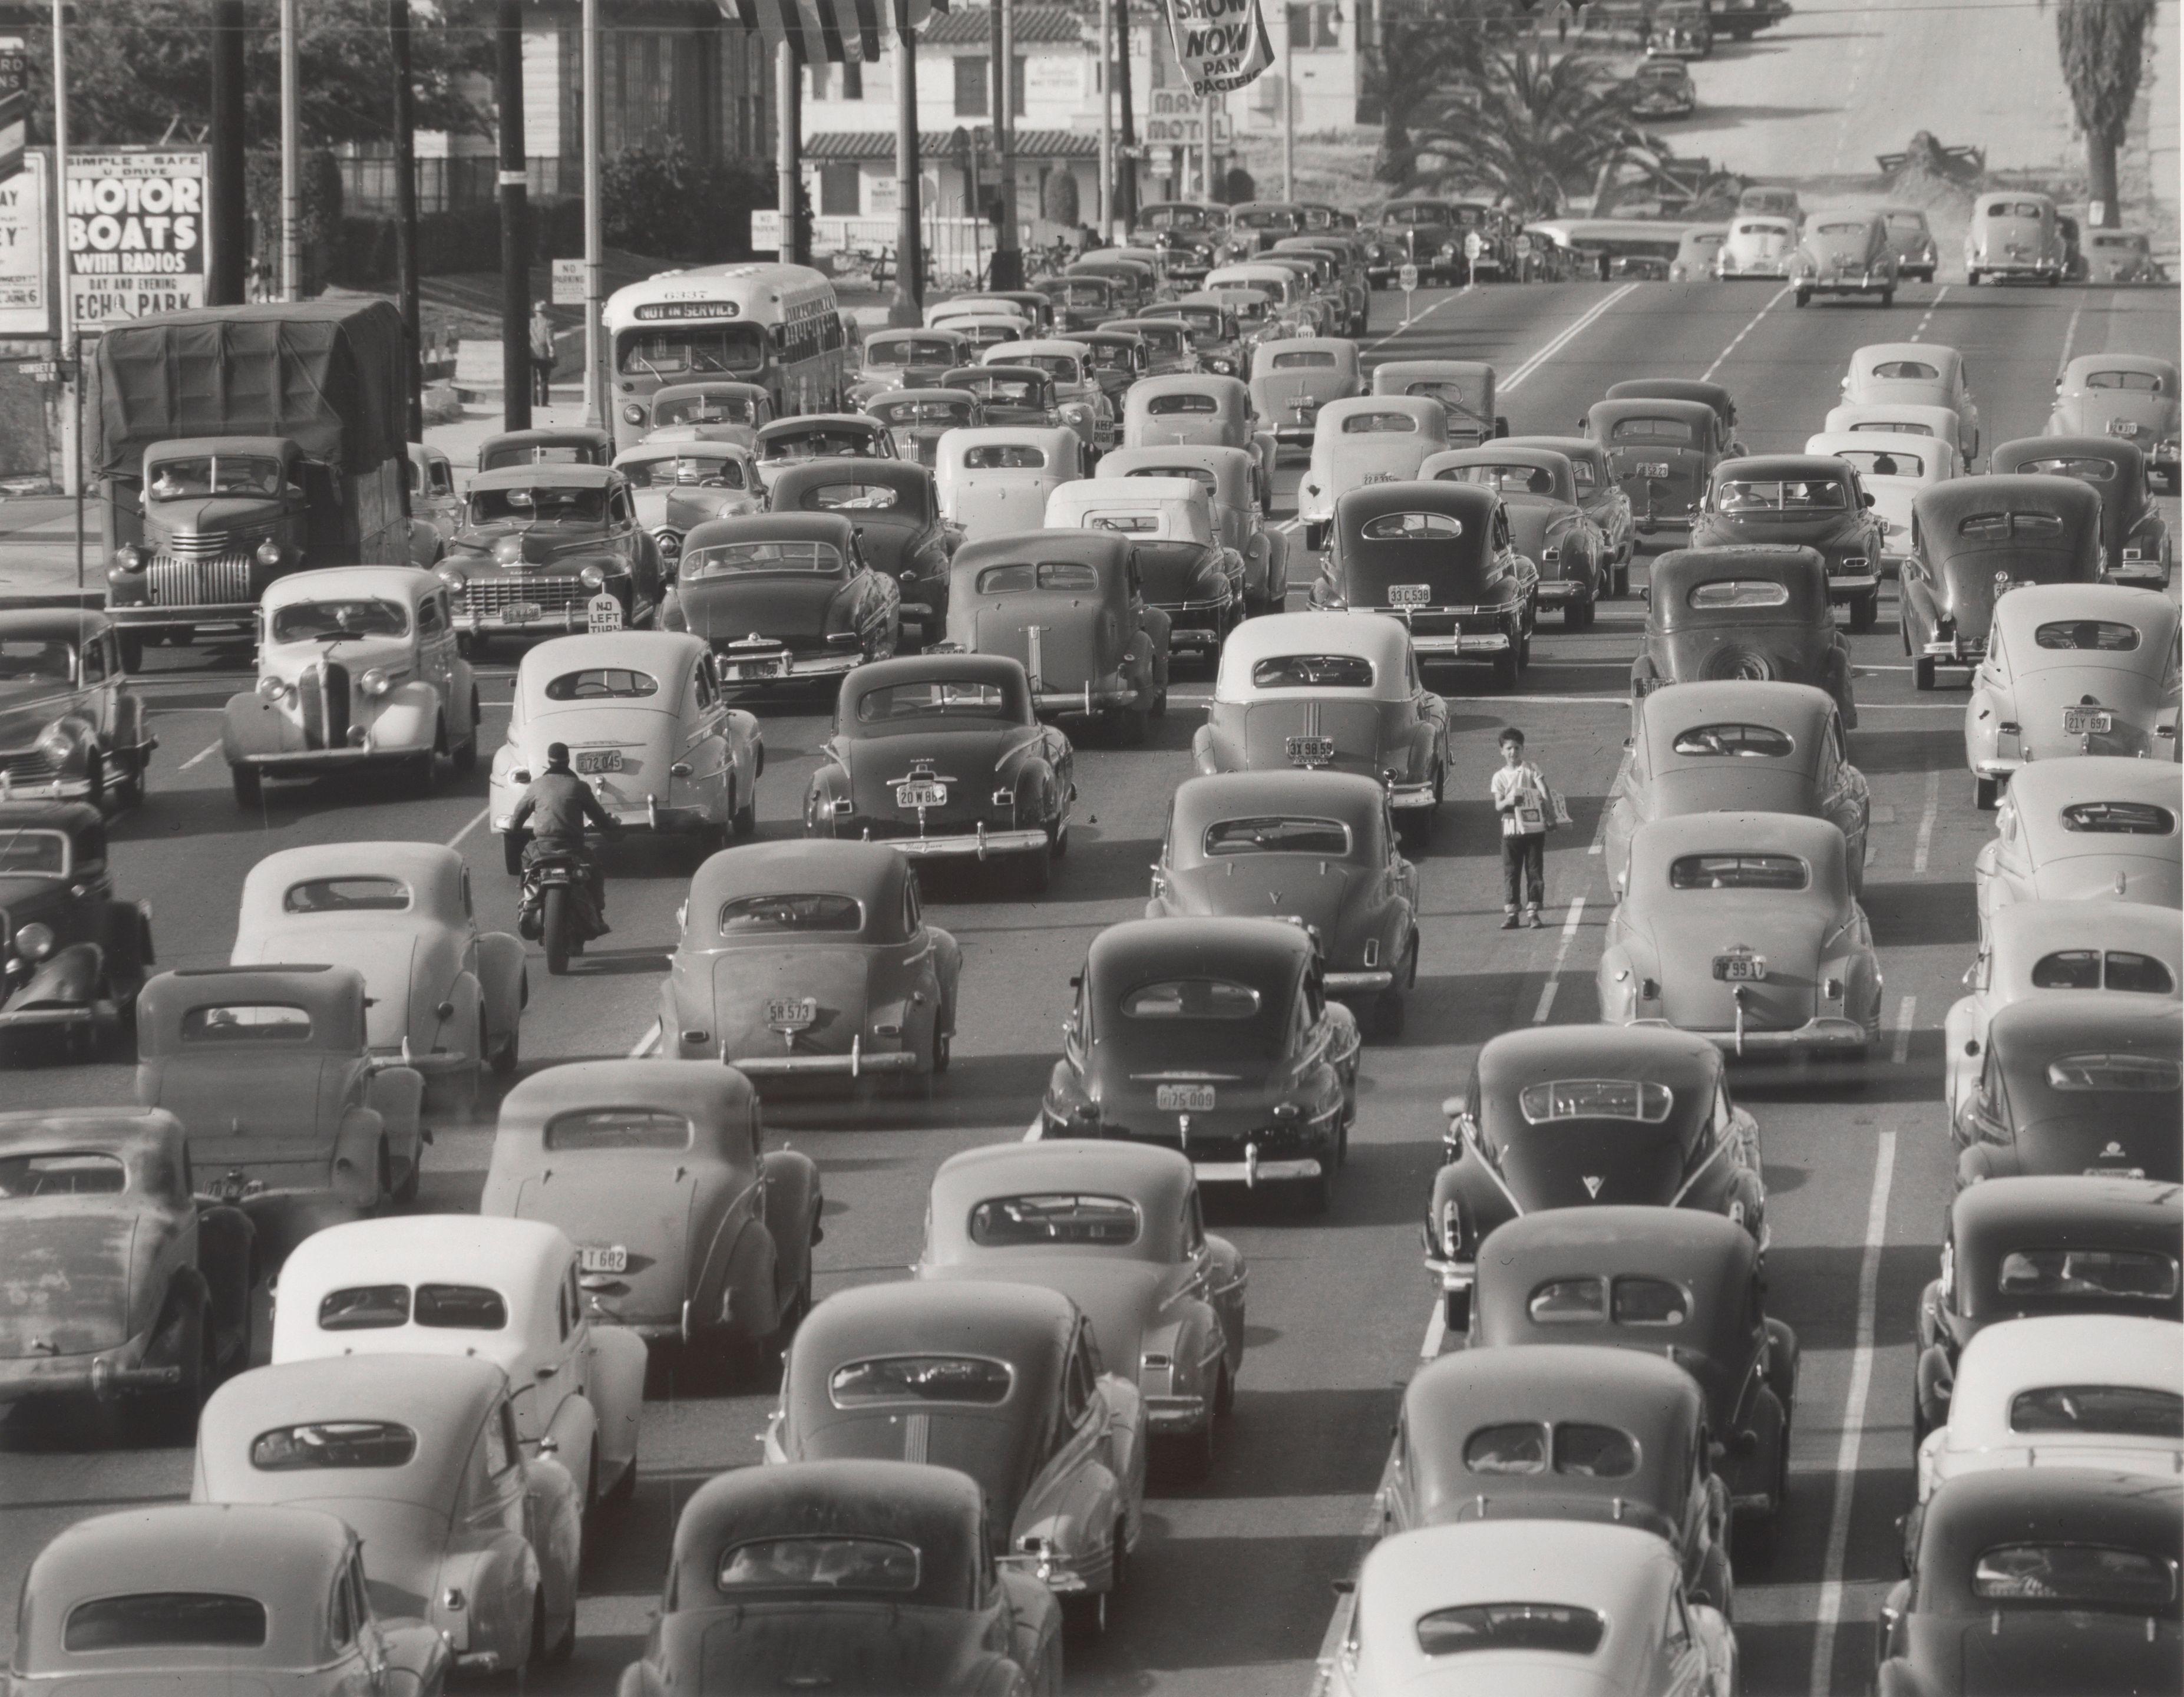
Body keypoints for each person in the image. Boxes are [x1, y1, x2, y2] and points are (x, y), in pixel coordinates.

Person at [508, 742, 622, 929]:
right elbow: (599, 817)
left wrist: (515, 828)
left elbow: (518, 815)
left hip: (543, 847)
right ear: (568, 761)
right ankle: (598, 915)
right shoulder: (579, 787)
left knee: (526, 863)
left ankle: (527, 901)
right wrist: (611, 825)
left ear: (549, 761)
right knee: (595, 871)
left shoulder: (537, 786)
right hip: (573, 848)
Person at [1490, 727, 1554, 929]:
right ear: (1502, 750)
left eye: (1517, 748)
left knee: (1535, 870)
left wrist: (1550, 815)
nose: (1513, 753)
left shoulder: (1531, 769)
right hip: (1511, 827)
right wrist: (1509, 799)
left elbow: (1544, 791)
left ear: (1522, 749)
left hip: (1533, 826)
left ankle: (1533, 912)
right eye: (1508, 748)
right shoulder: (1499, 777)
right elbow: (1498, 805)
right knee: (1512, 871)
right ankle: (1512, 913)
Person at [528, 301, 557, 405]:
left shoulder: (530, 322)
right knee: (544, 379)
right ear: (546, 312)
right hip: (544, 354)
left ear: (536, 312)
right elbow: (550, 339)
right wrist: (552, 350)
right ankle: (544, 403)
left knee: (533, 379)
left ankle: (534, 402)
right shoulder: (549, 323)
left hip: (531, 354)